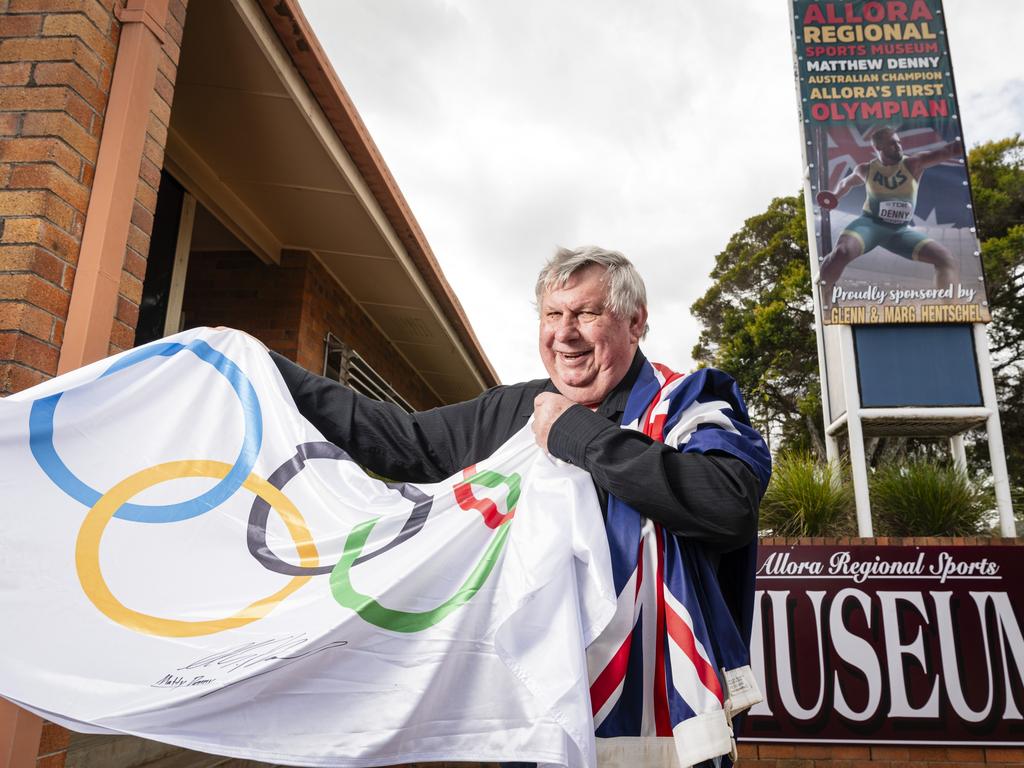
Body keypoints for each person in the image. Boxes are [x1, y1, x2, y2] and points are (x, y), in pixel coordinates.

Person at [270, 247, 765, 550]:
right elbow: (400, 438)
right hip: (535, 705)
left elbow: (727, 505)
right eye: (552, 316)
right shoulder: (511, 409)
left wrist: (573, 432)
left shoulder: (688, 398)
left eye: (587, 313)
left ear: (635, 322)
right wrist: (267, 370)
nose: (565, 334)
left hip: (657, 705)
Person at [817, 127, 962, 288]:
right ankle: (825, 301)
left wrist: (962, 139)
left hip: (899, 231)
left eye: (899, 142)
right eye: (893, 144)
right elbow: (846, 182)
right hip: (870, 225)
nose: (899, 146)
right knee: (841, 252)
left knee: (946, 259)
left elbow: (947, 151)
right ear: (879, 147)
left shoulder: (913, 163)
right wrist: (835, 196)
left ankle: (949, 310)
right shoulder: (866, 169)